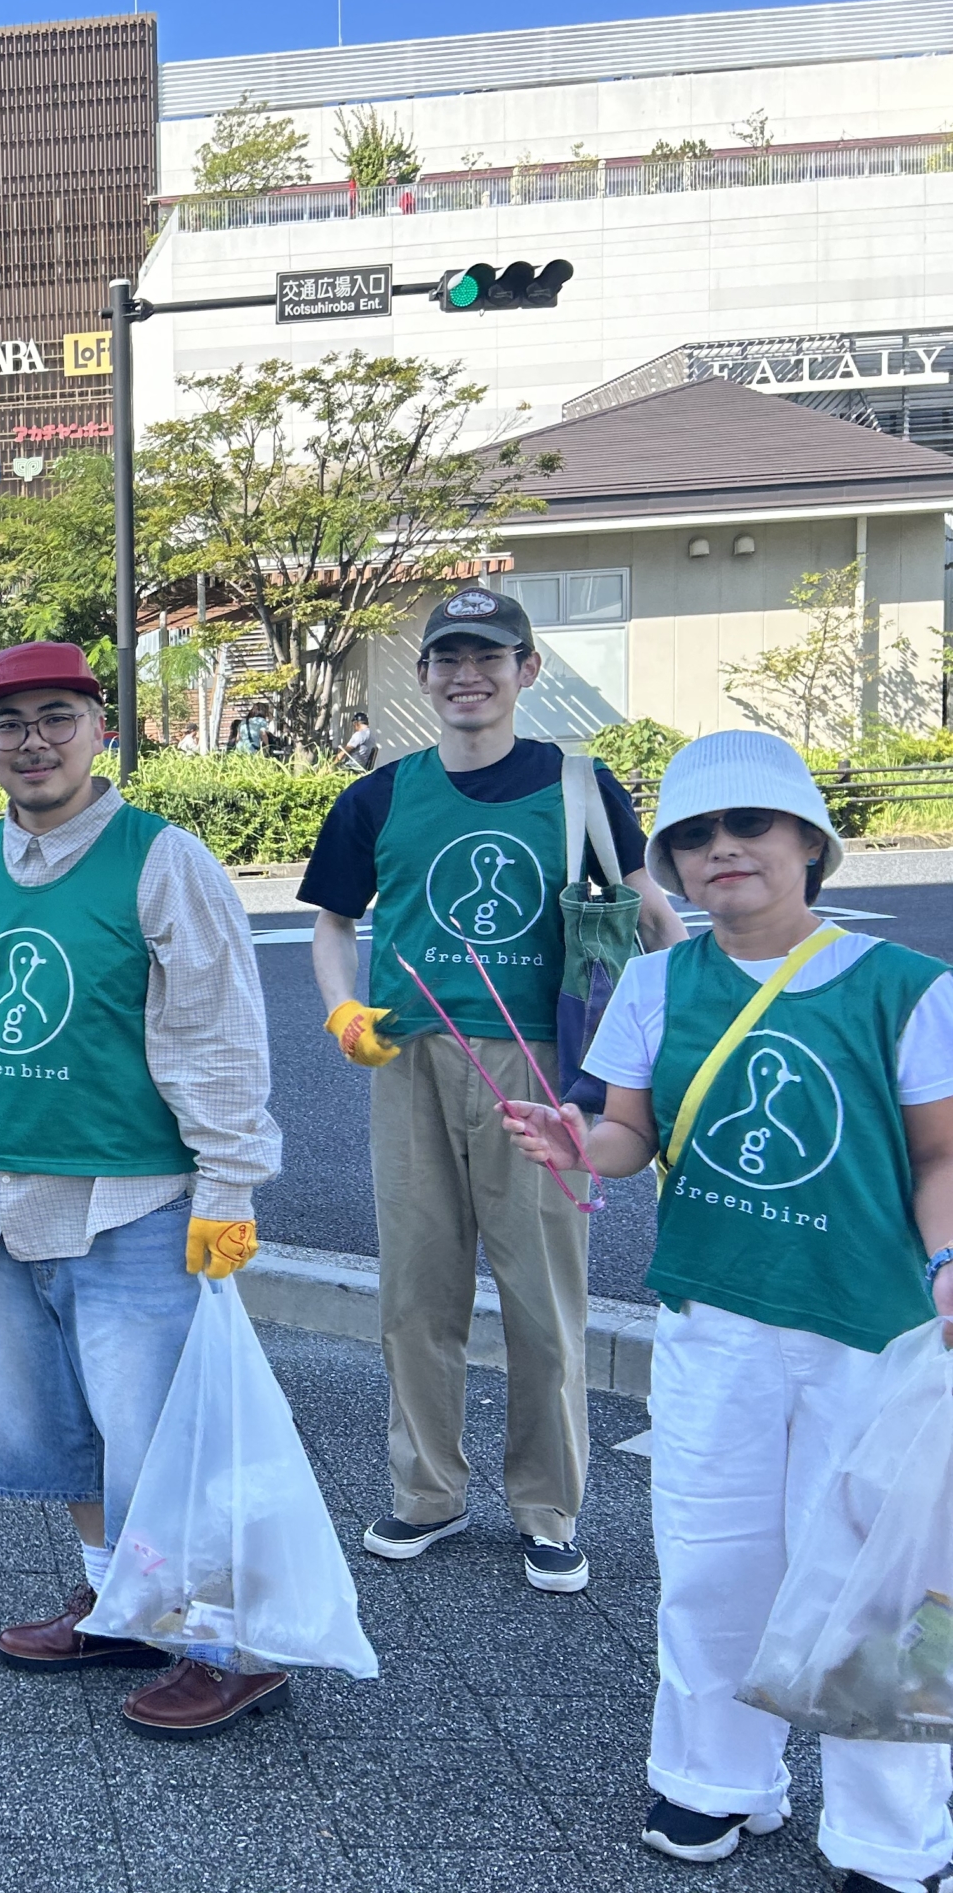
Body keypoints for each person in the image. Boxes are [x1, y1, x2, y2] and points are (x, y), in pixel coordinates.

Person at [502, 729, 953, 1890]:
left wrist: (949, 1264)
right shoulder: (656, 982)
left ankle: (891, 1832)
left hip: (875, 1333)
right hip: (714, 1325)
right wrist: (576, 1144)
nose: (722, 852)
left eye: (748, 826)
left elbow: (940, 1154)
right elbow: (627, 1135)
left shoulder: (905, 987)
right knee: (710, 1563)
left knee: (884, 1582)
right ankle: (713, 1780)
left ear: (809, 842)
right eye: (693, 836)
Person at [0, 641, 288, 1742]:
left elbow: (217, 1036)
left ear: (99, 727)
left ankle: (225, 1644)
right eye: (10, 722)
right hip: (8, 1197)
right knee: (57, 1432)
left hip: (138, 1202)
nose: (33, 741)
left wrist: (228, 1183)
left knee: (166, 1441)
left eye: (56, 716)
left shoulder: (160, 860)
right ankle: (122, 1603)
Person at [301, 587, 684, 1594]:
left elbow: (651, 920)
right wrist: (343, 1009)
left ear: (527, 670)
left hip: (539, 1068)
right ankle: (424, 1492)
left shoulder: (577, 786)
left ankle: (548, 1508)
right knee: (414, 1289)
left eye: (490, 657)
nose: (466, 675)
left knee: (543, 1297)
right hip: (412, 1056)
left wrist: (669, 1043)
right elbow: (334, 923)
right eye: (446, 659)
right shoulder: (376, 798)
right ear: (424, 675)